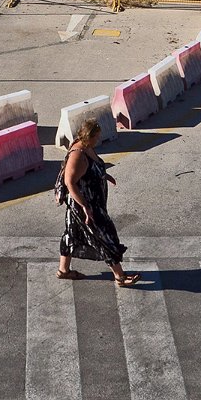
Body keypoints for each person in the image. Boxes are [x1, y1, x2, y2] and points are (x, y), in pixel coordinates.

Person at [57, 118, 139, 285]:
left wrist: (104, 175)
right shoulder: (78, 155)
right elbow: (69, 182)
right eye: (96, 136)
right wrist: (85, 207)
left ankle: (63, 271)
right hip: (84, 205)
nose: (98, 139)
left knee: (72, 235)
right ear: (89, 136)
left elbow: (90, 170)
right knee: (104, 236)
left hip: (90, 202)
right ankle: (120, 276)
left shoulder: (87, 147)